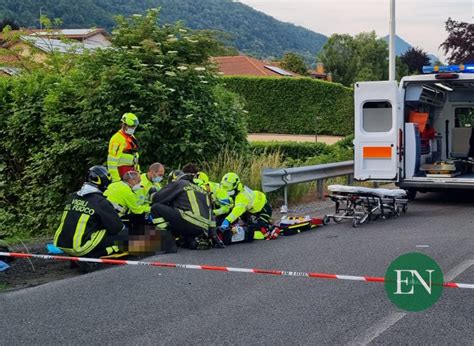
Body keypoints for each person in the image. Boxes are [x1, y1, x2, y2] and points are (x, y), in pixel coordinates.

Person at [54, 166, 127, 258]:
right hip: (82, 247)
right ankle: (95, 255)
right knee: (124, 236)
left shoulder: (73, 197)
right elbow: (117, 228)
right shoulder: (100, 201)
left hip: (63, 244)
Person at [150, 170, 223, 252]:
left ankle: (168, 244)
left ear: (173, 180)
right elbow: (210, 213)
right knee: (185, 239)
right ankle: (191, 240)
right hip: (202, 227)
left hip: (189, 221)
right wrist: (214, 235)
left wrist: (153, 193)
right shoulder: (201, 189)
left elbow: (156, 199)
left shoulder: (179, 183)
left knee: (155, 208)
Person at [219, 172, 276, 240]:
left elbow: (237, 211)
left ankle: (268, 229)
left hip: (264, 210)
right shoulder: (238, 188)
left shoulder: (242, 196)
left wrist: (227, 221)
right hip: (251, 208)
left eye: (228, 189)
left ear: (235, 186)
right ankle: (254, 222)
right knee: (247, 223)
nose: (226, 191)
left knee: (252, 230)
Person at [104, 170, 150, 236]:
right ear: (131, 181)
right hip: (115, 218)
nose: (140, 184)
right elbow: (137, 210)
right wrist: (150, 208)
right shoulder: (128, 192)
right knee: (139, 216)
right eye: (138, 181)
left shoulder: (113, 184)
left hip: (104, 214)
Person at [107, 113, 140, 182]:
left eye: (134, 127)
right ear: (123, 124)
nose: (133, 129)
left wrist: (138, 172)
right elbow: (111, 162)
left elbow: (135, 157)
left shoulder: (131, 137)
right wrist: (116, 180)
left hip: (131, 173)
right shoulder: (117, 139)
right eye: (131, 126)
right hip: (122, 174)